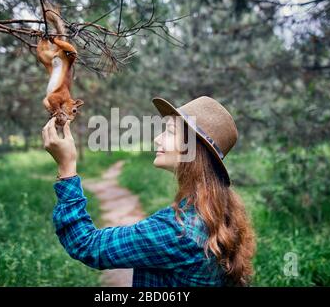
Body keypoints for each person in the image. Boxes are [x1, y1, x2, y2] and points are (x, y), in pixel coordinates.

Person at [41, 95, 256, 287]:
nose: (157, 139)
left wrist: (67, 168)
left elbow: (87, 245)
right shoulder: (218, 211)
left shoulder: (178, 230)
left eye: (170, 132)